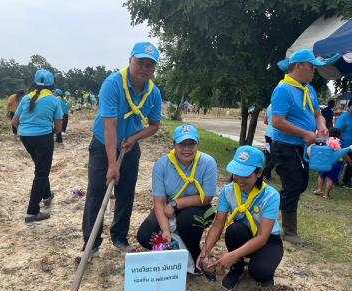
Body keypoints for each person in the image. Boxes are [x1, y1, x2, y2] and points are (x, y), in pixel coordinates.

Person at [82, 41, 162, 254]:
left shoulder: (154, 93)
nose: (144, 68)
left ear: (154, 69)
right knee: (97, 192)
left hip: (129, 147)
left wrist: (135, 137)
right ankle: (91, 243)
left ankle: (119, 237)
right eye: (140, 62)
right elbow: (110, 126)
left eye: (149, 65)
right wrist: (111, 164)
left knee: (126, 192)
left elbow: (154, 126)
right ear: (130, 60)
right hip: (103, 144)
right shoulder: (113, 84)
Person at [197, 146, 283, 290]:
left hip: (268, 240)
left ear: (259, 173)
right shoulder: (228, 191)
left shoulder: (271, 196)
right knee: (234, 229)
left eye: (245, 175)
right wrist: (204, 252)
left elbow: (262, 237)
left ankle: (258, 267)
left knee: (260, 272)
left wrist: (232, 255)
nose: (239, 180)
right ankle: (237, 269)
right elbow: (218, 224)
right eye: (236, 173)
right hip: (243, 235)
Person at [136, 125, 217, 264]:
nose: (187, 149)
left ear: (198, 145)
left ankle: (193, 252)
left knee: (188, 221)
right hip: (166, 207)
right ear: (174, 144)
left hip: (198, 206)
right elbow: (159, 202)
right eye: (182, 144)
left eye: (191, 144)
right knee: (145, 236)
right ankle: (172, 255)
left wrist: (176, 204)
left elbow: (207, 197)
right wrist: (165, 230)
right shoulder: (162, 164)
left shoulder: (208, 163)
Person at [271, 49, 328, 244]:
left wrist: (322, 127)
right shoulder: (283, 89)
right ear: (298, 66)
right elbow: (277, 121)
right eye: (312, 67)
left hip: (302, 148)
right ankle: (289, 231)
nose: (314, 71)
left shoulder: (308, 89)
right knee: (293, 185)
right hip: (285, 146)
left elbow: (317, 114)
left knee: (300, 184)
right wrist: (305, 133)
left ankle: (263, 205)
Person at [12, 70, 63, 223]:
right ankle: (32, 212)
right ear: (52, 85)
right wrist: (48, 132)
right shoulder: (55, 100)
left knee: (41, 167)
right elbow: (59, 127)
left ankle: (46, 196)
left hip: (25, 137)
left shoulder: (26, 98)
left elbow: (14, 122)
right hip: (43, 137)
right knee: (41, 172)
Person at [313, 128, 352, 199]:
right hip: (336, 163)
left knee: (322, 175)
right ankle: (326, 194)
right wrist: (349, 162)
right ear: (339, 135)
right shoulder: (340, 143)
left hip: (325, 161)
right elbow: (344, 154)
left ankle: (319, 189)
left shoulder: (326, 141)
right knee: (330, 178)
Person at [263, 104, 275, 180]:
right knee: (275, 156)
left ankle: (267, 175)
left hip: (267, 133)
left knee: (268, 154)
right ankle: (265, 172)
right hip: (276, 134)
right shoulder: (280, 105)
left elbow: (265, 121)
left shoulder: (269, 106)